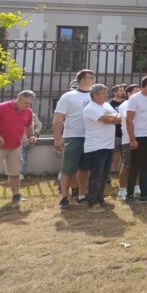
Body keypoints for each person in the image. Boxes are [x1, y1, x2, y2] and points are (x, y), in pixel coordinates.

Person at [0, 90, 36, 208]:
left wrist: (31, 136)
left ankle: (16, 195)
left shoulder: (28, 111)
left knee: (15, 172)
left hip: (15, 146)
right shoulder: (1, 107)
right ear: (18, 99)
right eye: (25, 103)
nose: (27, 106)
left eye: (29, 104)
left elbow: (29, 124)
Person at [54, 69, 95, 209]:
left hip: (90, 137)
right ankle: (64, 197)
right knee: (68, 168)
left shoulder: (94, 95)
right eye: (91, 77)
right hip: (73, 137)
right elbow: (58, 118)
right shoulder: (68, 96)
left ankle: (82, 194)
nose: (93, 79)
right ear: (82, 79)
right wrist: (57, 139)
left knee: (85, 168)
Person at [82, 84, 120, 212]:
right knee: (96, 175)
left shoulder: (107, 105)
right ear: (95, 95)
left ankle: (100, 198)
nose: (106, 95)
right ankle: (92, 203)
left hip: (108, 145)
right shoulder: (90, 108)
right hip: (96, 147)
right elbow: (107, 119)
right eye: (103, 93)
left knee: (105, 175)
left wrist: (113, 118)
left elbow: (118, 118)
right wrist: (113, 118)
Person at [125, 75, 147, 202]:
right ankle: (129, 194)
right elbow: (129, 120)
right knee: (135, 166)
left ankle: (144, 194)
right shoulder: (134, 98)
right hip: (138, 137)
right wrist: (132, 139)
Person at [116, 84, 140, 199]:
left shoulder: (139, 104)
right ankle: (122, 189)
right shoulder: (125, 105)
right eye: (135, 92)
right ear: (128, 94)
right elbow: (129, 119)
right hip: (128, 139)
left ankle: (136, 187)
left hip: (140, 138)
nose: (138, 94)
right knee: (127, 165)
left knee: (138, 165)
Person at [108, 84, 126, 177]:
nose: (123, 92)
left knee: (125, 153)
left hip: (125, 132)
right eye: (120, 90)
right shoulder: (110, 104)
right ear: (115, 93)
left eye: (123, 90)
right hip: (115, 132)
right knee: (115, 152)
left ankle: (125, 171)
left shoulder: (126, 103)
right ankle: (113, 171)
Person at [19, 113, 42, 180]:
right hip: (16, 138)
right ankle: (17, 173)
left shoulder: (32, 115)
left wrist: (35, 133)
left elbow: (39, 125)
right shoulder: (13, 114)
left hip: (27, 139)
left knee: (23, 152)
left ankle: (21, 173)